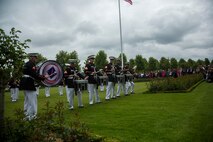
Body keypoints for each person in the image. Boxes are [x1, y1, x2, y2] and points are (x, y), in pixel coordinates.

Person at [19, 53, 46, 120]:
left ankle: (26, 115)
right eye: (35, 57)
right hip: (28, 83)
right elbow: (34, 75)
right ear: (32, 57)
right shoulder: (31, 64)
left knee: (27, 100)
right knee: (33, 100)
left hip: (24, 82)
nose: (36, 59)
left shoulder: (26, 64)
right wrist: (43, 77)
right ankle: (33, 116)